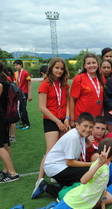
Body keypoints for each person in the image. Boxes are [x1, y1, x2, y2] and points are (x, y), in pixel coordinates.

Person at [0, 139, 112, 209]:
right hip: (73, 201)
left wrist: (103, 207)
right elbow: (83, 180)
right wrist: (98, 164)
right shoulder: (99, 165)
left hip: (84, 207)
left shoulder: (107, 166)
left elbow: (103, 188)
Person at [32, 112, 94, 199]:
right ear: (77, 125)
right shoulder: (73, 136)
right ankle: (46, 187)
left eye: (90, 127)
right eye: (85, 126)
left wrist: (88, 145)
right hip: (56, 167)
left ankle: (49, 186)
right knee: (89, 171)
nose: (88, 129)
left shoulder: (79, 135)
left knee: (84, 174)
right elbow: (70, 162)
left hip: (59, 165)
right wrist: (91, 164)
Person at [34, 58, 71, 190]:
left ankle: (56, 175)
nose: (59, 71)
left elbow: (67, 103)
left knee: (62, 151)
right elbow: (42, 107)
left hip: (63, 120)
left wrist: (66, 118)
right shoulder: (45, 84)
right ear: (51, 68)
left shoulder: (65, 84)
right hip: (51, 120)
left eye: (61, 68)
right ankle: (39, 180)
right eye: (57, 68)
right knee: (50, 151)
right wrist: (57, 121)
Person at [70, 53, 104, 125]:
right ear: (85, 66)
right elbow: (72, 99)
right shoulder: (79, 78)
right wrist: (72, 119)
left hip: (97, 118)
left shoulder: (101, 78)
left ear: (97, 64)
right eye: (88, 63)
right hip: (81, 118)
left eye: (94, 63)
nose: (91, 65)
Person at [0, 63, 20, 183]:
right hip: (4, 117)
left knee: (1, 146)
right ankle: (6, 169)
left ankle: (12, 173)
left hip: (1, 117)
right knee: (5, 144)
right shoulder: (4, 79)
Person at [13, 59, 32, 130]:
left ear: (21, 65)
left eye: (17, 65)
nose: (15, 66)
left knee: (23, 109)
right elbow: (16, 83)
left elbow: (29, 83)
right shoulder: (16, 73)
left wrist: (30, 94)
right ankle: (23, 123)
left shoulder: (25, 72)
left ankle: (27, 124)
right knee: (20, 109)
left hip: (24, 93)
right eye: (14, 65)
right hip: (19, 93)